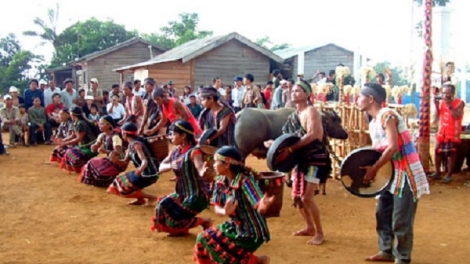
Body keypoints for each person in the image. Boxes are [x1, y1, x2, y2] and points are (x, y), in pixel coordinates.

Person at [356, 83, 430, 264]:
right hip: (389, 175)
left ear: (371, 99)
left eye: (360, 96)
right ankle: (386, 250)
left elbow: (393, 147)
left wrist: (374, 168)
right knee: (382, 214)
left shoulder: (388, 115)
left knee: (400, 220)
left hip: (406, 173)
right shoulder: (374, 121)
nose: (357, 100)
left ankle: (402, 258)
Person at [267, 80, 330, 245]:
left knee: (307, 197)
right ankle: (309, 227)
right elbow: (286, 138)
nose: (294, 93)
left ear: (307, 94)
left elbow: (313, 135)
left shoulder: (311, 112)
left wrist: (289, 150)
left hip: (315, 158)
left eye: (298, 91)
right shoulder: (294, 115)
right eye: (292, 91)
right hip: (300, 158)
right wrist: (273, 144)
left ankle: (320, 233)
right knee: (297, 197)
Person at [193, 146, 273, 264]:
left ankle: (255, 261)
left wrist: (262, 206)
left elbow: (258, 202)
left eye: (216, 161)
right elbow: (216, 207)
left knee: (224, 254)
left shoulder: (245, 181)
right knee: (203, 238)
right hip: (234, 226)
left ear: (227, 165)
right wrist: (225, 212)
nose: (213, 164)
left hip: (252, 232)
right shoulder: (219, 181)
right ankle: (256, 261)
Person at [152, 120, 212, 236]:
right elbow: (161, 167)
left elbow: (199, 167)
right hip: (182, 193)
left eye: (173, 134)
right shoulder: (175, 150)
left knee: (174, 219)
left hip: (197, 195)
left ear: (183, 136)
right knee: (161, 207)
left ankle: (204, 221)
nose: (171, 137)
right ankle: (183, 227)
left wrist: (203, 171)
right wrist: (170, 165)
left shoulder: (195, 152)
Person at [107, 122, 159, 206]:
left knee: (123, 187)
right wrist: (116, 160)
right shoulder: (131, 145)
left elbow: (144, 161)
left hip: (150, 174)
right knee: (118, 181)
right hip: (143, 172)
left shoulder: (137, 145)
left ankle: (151, 197)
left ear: (124, 134)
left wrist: (141, 168)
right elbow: (125, 162)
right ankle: (140, 200)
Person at [430, 83, 465, 183]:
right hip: (442, 131)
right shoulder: (442, 102)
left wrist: (450, 105)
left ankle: (449, 175)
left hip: (453, 132)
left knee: (451, 153)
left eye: (448, 93)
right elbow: (438, 114)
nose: (445, 95)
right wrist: (436, 105)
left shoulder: (459, 103)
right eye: (444, 93)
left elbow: (457, 116)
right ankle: (437, 172)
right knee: (437, 151)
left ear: (453, 93)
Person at [79, 115, 127, 187]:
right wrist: (93, 147)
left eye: (101, 124)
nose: (99, 125)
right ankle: (105, 180)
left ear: (108, 125)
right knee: (91, 163)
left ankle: (110, 179)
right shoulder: (102, 136)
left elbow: (117, 152)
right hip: (110, 159)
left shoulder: (115, 137)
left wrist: (105, 151)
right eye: (99, 123)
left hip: (118, 162)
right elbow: (96, 145)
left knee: (97, 168)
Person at [58, 107, 98, 173]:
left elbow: (79, 139)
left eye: (70, 113)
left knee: (69, 152)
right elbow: (72, 135)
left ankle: (83, 165)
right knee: (67, 151)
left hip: (89, 147)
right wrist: (63, 140)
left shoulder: (81, 124)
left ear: (73, 114)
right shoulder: (76, 122)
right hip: (83, 146)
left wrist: (65, 143)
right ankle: (85, 163)